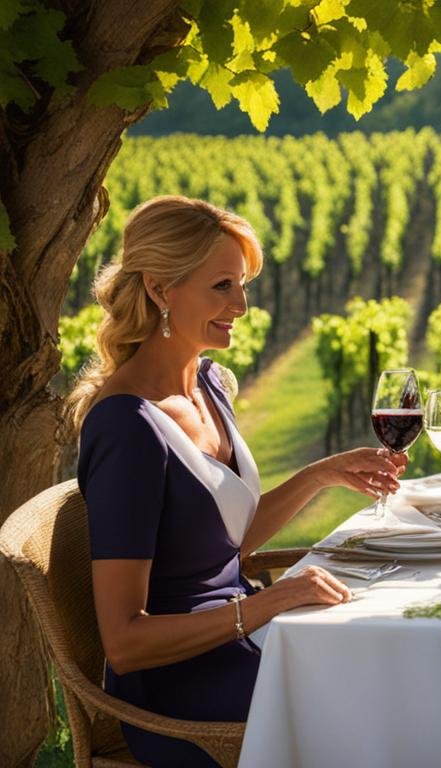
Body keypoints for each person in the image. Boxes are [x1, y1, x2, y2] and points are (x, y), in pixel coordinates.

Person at [67, 195, 407, 766]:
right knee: (383, 699)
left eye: (243, 283)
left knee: (394, 655)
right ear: (160, 289)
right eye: (222, 286)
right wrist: (269, 604)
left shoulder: (206, 383)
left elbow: (224, 543)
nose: (242, 305)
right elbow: (124, 644)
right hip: (181, 693)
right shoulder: (127, 427)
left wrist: (320, 475)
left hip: (240, 639)